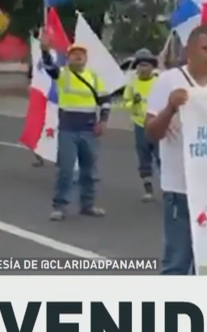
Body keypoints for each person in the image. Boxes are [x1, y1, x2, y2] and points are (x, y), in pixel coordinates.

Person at [145, 25, 207, 275]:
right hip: (180, 189)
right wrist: (170, 109)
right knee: (178, 263)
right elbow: (151, 131)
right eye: (206, 48)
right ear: (190, 50)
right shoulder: (168, 81)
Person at [39, 38, 110, 220]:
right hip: (68, 129)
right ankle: (60, 206)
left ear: (86, 59)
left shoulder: (94, 77)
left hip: (89, 129)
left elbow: (105, 101)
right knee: (66, 170)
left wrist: (103, 121)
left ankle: (88, 205)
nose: (78, 57)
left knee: (89, 170)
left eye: (81, 54)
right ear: (68, 58)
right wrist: (46, 51)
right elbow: (49, 67)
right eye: (74, 54)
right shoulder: (62, 74)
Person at [122, 48, 160, 202]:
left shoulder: (159, 83)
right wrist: (133, 102)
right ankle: (148, 189)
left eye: (146, 65)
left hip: (157, 124)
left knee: (161, 157)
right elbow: (125, 103)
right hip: (139, 124)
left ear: (152, 67)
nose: (143, 68)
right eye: (140, 65)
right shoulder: (132, 84)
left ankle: (168, 188)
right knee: (143, 156)